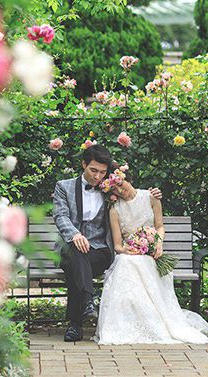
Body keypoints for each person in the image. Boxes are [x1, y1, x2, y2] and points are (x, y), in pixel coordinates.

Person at [52, 144, 162, 342]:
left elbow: (133, 197)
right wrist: (75, 234)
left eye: (102, 172)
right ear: (83, 164)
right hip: (70, 248)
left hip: (100, 252)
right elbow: (60, 216)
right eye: (93, 170)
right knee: (76, 253)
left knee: (78, 264)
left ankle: (76, 324)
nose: (97, 177)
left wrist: (154, 194)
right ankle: (87, 302)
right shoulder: (64, 186)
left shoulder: (109, 189)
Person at [95, 169, 208, 344]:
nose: (119, 191)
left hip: (150, 253)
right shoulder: (115, 209)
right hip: (129, 253)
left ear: (126, 179)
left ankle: (154, 320)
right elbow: (118, 245)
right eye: (114, 191)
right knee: (127, 262)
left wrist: (157, 243)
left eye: (119, 185)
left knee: (140, 263)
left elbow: (159, 226)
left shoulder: (151, 197)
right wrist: (129, 250)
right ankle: (129, 322)